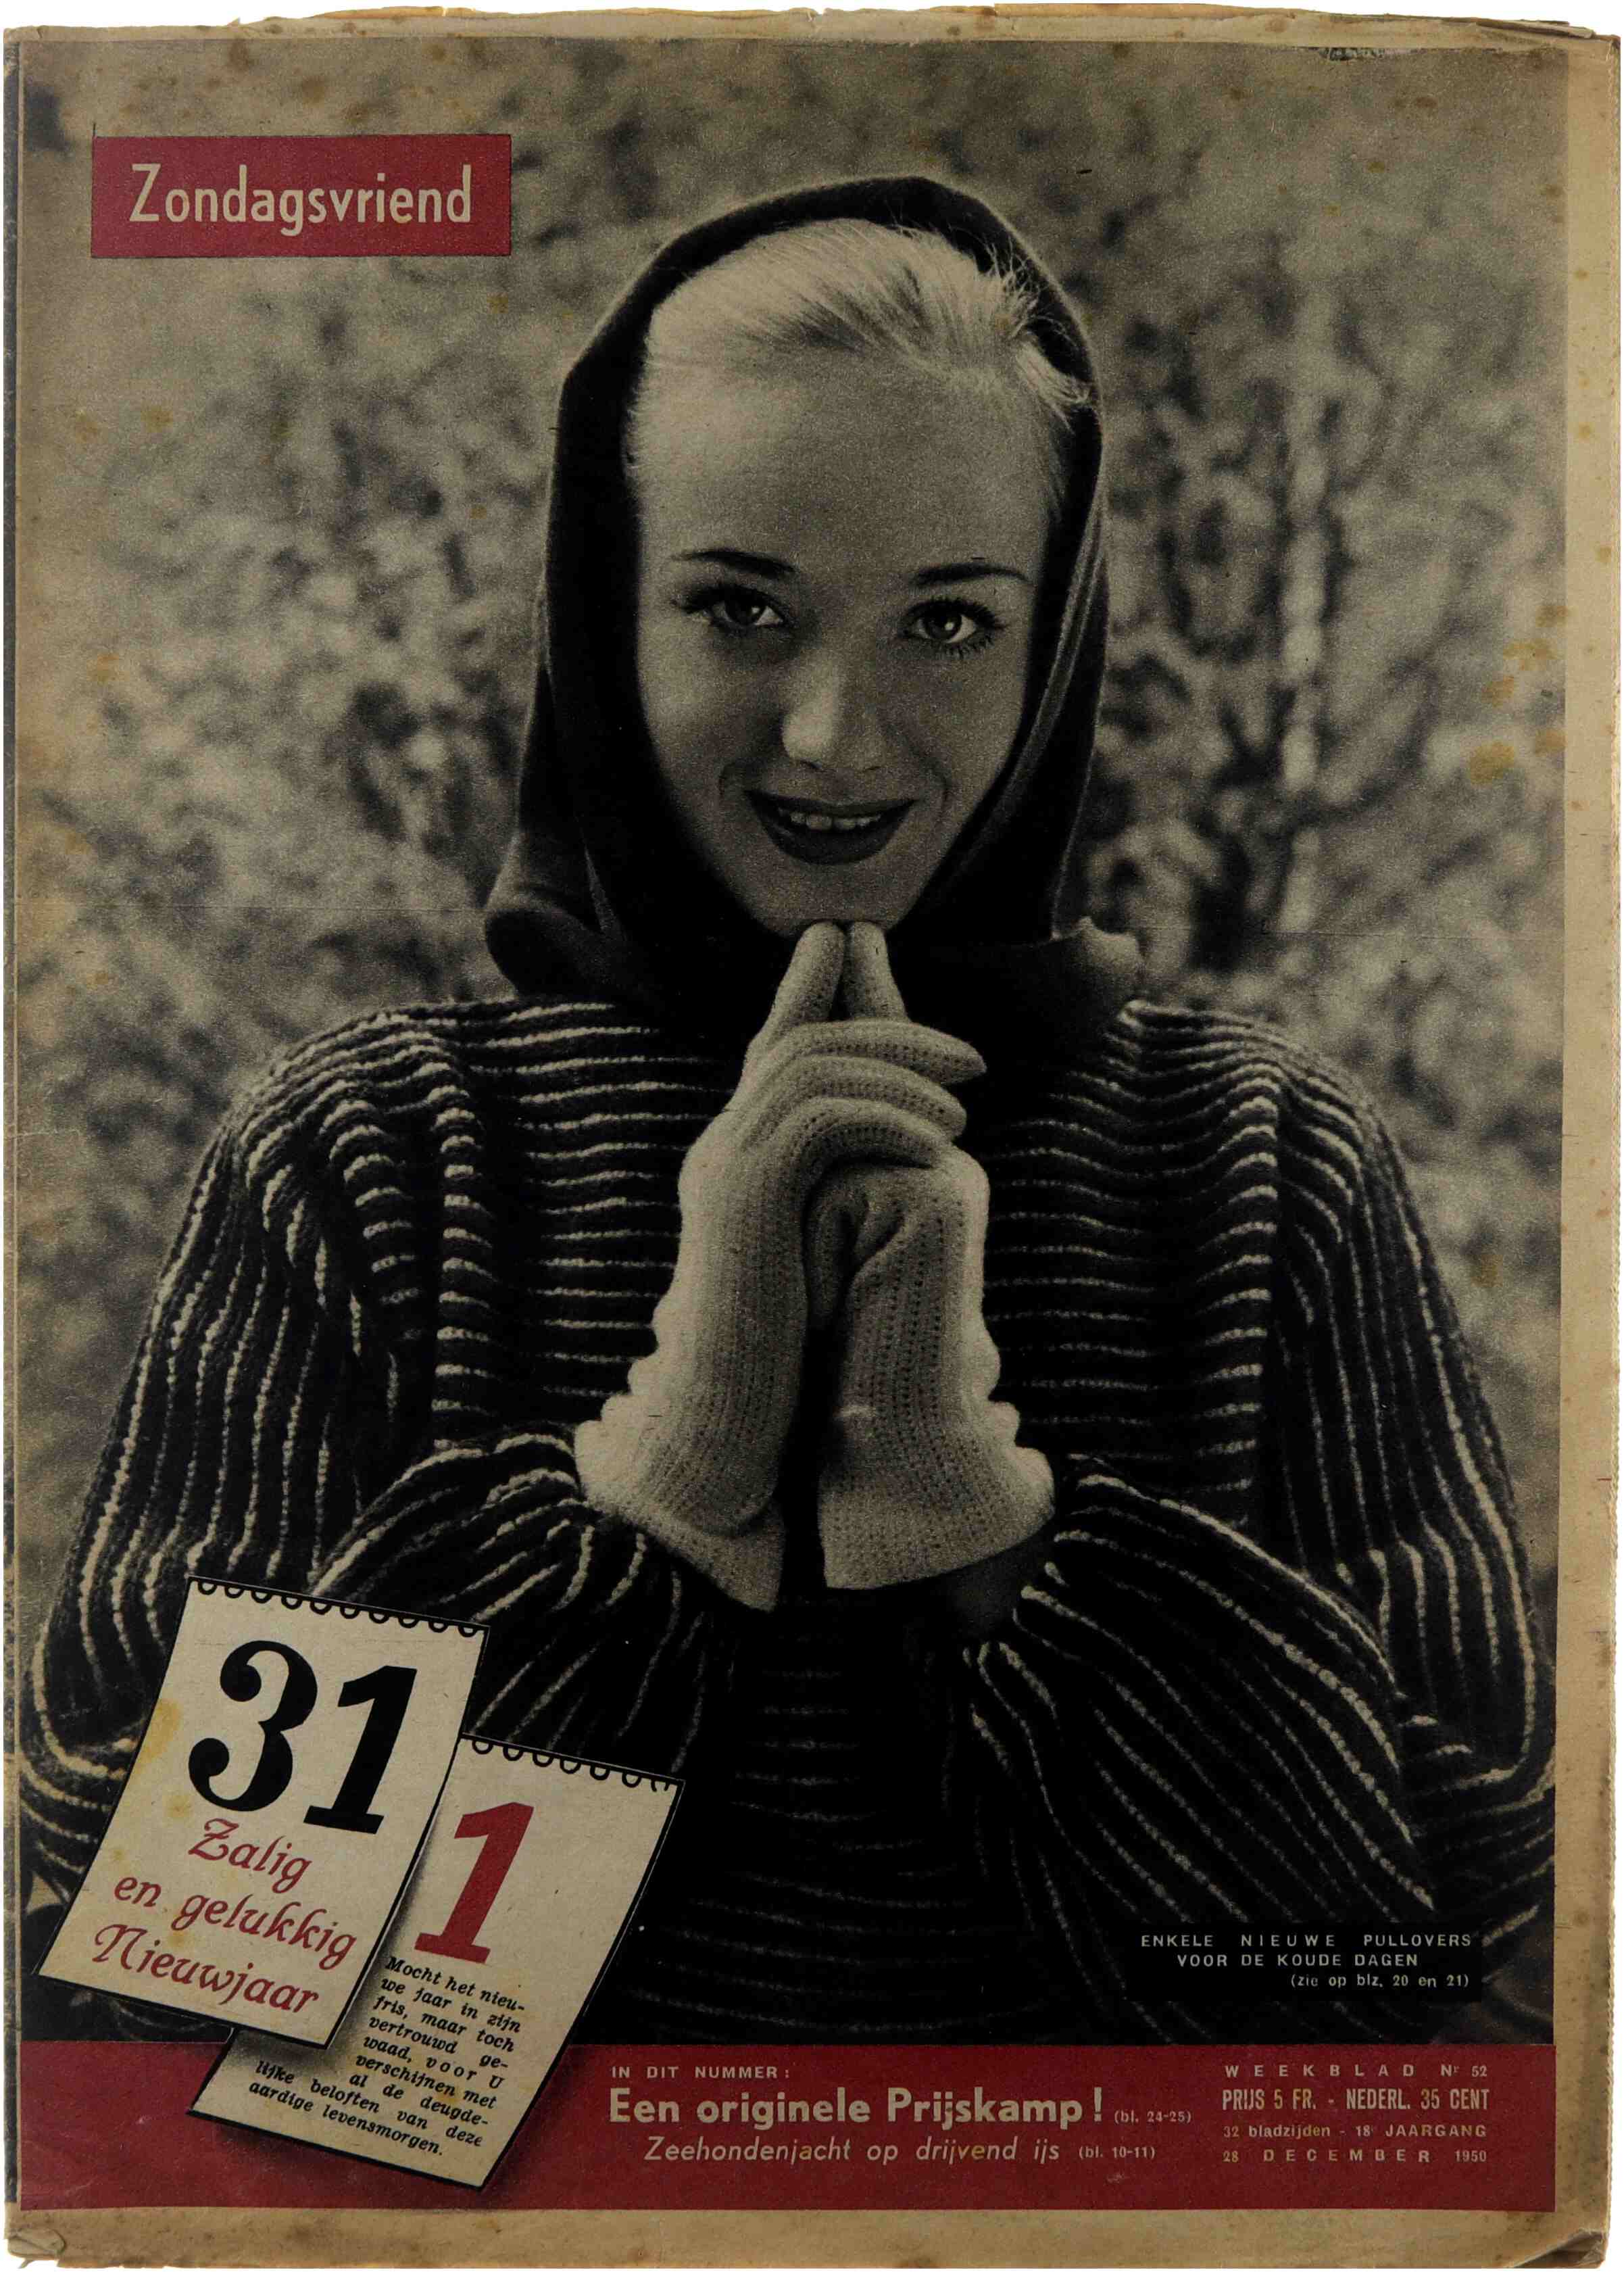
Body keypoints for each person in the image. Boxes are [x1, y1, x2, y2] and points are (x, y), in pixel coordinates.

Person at [22, 176, 1554, 2047]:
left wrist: (974, 1513)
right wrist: (666, 1470)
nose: (832, 733)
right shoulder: (374, 1154)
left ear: (1055, 640)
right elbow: (146, 1950)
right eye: (739, 607)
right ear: (607, 608)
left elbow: (1446, 1951)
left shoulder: (1260, 1162)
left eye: (948, 623)